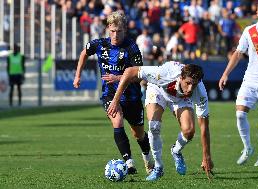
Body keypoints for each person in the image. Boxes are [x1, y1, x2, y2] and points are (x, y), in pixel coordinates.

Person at [73, 11, 153, 174]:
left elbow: (139, 76)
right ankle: (129, 163)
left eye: (119, 31)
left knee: (138, 134)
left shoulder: (131, 47)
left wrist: (118, 78)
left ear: (124, 29)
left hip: (132, 97)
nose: (115, 35)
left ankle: (147, 158)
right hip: (110, 95)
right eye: (112, 31)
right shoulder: (99, 44)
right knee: (117, 122)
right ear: (108, 29)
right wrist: (78, 75)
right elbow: (84, 53)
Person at [107, 61, 214, 181]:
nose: (190, 89)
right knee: (154, 126)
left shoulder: (200, 93)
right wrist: (115, 101)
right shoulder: (164, 73)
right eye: (188, 83)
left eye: (194, 85)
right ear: (181, 77)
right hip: (158, 90)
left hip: (180, 99)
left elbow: (204, 127)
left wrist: (206, 157)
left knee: (189, 131)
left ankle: (176, 151)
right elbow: (130, 71)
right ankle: (158, 167)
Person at [219, 0, 258, 167]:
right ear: (256, 13)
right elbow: (238, 53)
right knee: (240, 114)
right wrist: (225, 73)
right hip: (249, 80)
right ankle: (247, 148)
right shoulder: (249, 31)